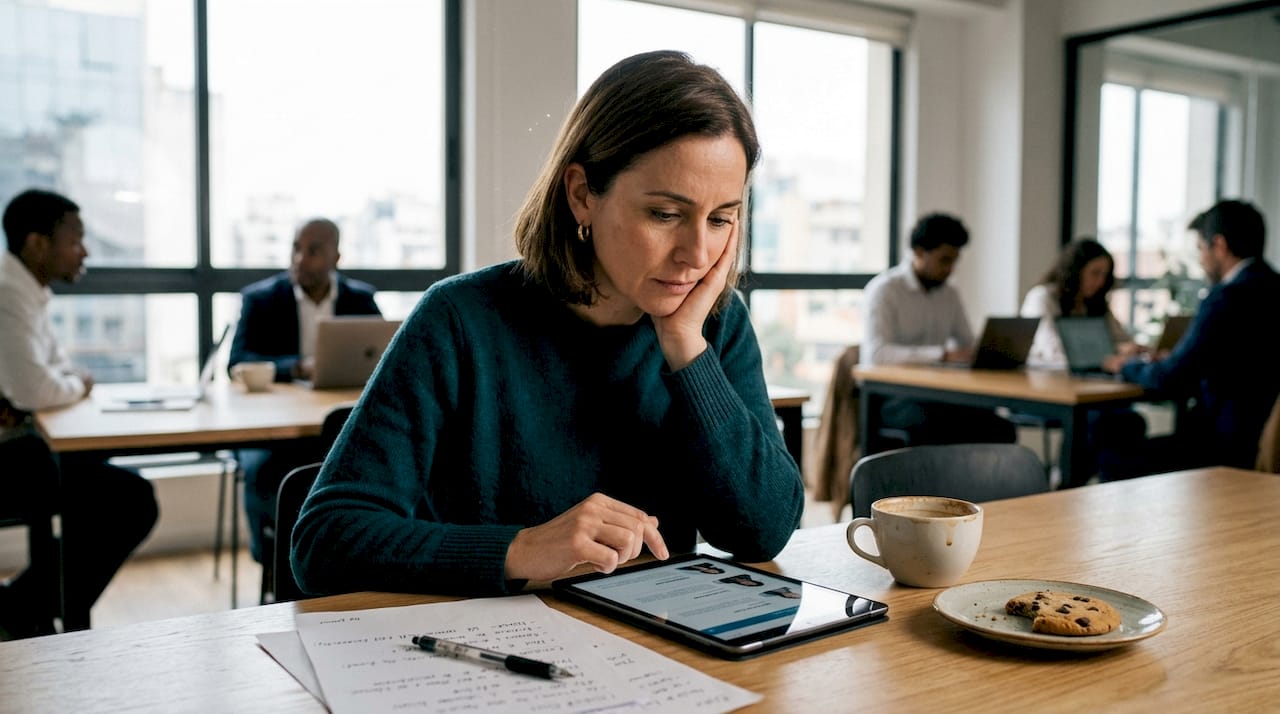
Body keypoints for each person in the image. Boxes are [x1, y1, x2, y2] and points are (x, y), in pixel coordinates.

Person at [291, 50, 804, 598]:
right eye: (665, 214)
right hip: (490, 652)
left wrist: (686, 350)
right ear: (582, 195)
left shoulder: (713, 323)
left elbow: (763, 531)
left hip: (657, 645)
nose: (697, 254)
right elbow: (325, 540)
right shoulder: (460, 320)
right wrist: (522, 549)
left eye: (721, 218)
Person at [0, 189, 158, 639]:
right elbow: (36, 388)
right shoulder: (8, 294)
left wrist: (61, 386)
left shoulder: (28, 291)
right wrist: (73, 386)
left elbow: (55, 372)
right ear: (37, 244)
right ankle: (25, 609)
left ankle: (22, 607)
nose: (84, 251)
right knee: (128, 501)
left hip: (23, 439)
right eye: (76, 240)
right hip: (9, 453)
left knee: (111, 491)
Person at [228, 218, 381, 565]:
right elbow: (237, 361)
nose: (300, 258)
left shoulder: (361, 299)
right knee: (265, 470)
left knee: (356, 464)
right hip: (270, 428)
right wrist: (295, 367)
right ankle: (271, 559)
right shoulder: (260, 299)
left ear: (336, 257)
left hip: (334, 420)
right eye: (296, 247)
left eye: (313, 250)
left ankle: (347, 558)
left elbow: (383, 353)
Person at [1101, 199, 1280, 474]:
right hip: (1266, 441)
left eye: (1200, 248)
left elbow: (1172, 378)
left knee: (1114, 459)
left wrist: (1127, 366)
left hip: (1226, 446)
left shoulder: (1226, 298)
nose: (1201, 259)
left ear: (1219, 246)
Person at [859, 213, 1016, 445]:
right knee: (938, 427)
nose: (950, 269)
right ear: (920, 252)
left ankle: (980, 483)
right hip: (893, 398)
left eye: (954, 261)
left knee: (999, 428)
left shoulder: (949, 294)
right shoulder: (884, 291)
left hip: (939, 394)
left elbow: (967, 342)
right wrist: (942, 354)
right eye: (944, 260)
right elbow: (877, 354)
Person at [1020, 238, 1147, 485]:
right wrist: (1111, 355)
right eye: (1095, 273)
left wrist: (1131, 349)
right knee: (1102, 421)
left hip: (1089, 392)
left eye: (1105, 275)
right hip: (1045, 392)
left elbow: (1120, 339)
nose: (1100, 281)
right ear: (1075, 270)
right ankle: (1069, 484)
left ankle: (1112, 490)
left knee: (1127, 421)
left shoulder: (1096, 304)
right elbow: (1056, 352)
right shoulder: (1043, 297)